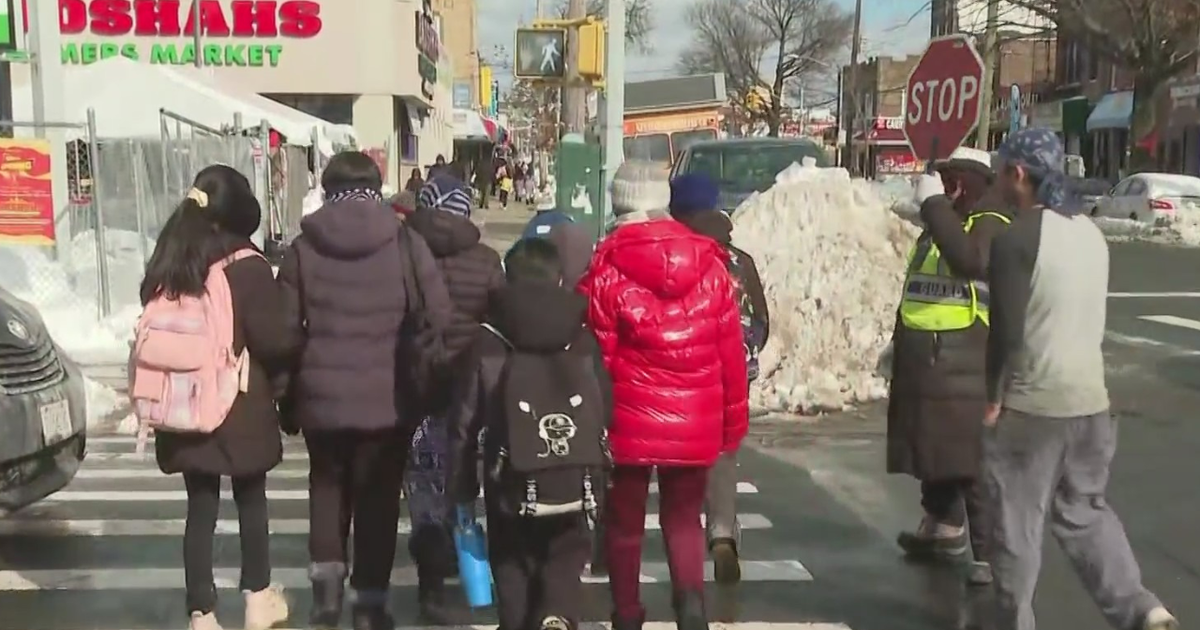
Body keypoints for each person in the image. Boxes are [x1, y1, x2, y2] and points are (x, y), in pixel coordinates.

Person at [984, 129, 1178, 630]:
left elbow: (1005, 332)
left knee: (1016, 525)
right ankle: (1142, 609)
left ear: (1019, 174)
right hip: (1092, 404)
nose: (998, 179)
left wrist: (992, 397)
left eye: (1002, 169)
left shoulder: (1015, 239)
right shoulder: (1091, 234)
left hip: (1033, 408)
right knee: (1085, 513)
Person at [275, 151, 452, 630]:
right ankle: (371, 604)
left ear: (327, 190)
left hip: (321, 398)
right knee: (378, 499)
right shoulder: (406, 242)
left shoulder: (303, 248)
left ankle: (326, 599)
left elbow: (284, 331)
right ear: (377, 188)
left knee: (326, 490)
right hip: (389, 399)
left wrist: (286, 393)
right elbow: (439, 314)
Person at [579, 161, 749, 630]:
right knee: (684, 518)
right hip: (695, 415)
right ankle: (691, 607)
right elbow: (730, 354)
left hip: (626, 418)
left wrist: (595, 422)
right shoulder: (711, 265)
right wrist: (732, 425)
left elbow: (598, 359)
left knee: (625, 525)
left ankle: (627, 613)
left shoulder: (606, 267)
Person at [139, 165, 293, 630]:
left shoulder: (171, 257)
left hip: (183, 399)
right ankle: (258, 600)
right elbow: (274, 340)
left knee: (200, 507)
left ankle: (201, 612)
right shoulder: (247, 263)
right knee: (251, 499)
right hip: (238, 401)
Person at [447, 238, 612, 630]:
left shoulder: (488, 338)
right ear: (559, 279)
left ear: (508, 279)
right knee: (567, 546)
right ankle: (557, 611)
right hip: (574, 466)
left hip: (508, 469)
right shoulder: (581, 335)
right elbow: (603, 406)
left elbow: (464, 420)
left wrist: (462, 485)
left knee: (511, 556)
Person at [886, 146, 1011, 586]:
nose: (942, 187)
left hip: (968, 356)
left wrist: (936, 206)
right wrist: (897, 342)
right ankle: (942, 525)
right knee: (935, 446)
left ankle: (989, 553)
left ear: (967, 182)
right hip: (932, 354)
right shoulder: (945, 222)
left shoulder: (989, 221)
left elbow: (969, 261)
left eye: (949, 180)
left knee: (969, 456)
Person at [404, 174, 505, 620]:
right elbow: (500, 322)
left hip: (415, 385)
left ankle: (430, 584)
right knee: (464, 477)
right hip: (468, 387)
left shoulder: (405, 250)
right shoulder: (486, 260)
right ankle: (471, 565)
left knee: (424, 485)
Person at [668, 172, 769, 584]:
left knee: (682, 455)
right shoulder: (739, 260)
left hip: (688, 368)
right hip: (733, 371)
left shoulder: (676, 255)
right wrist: (748, 354)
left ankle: (684, 534)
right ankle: (723, 530)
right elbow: (761, 317)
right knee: (723, 453)